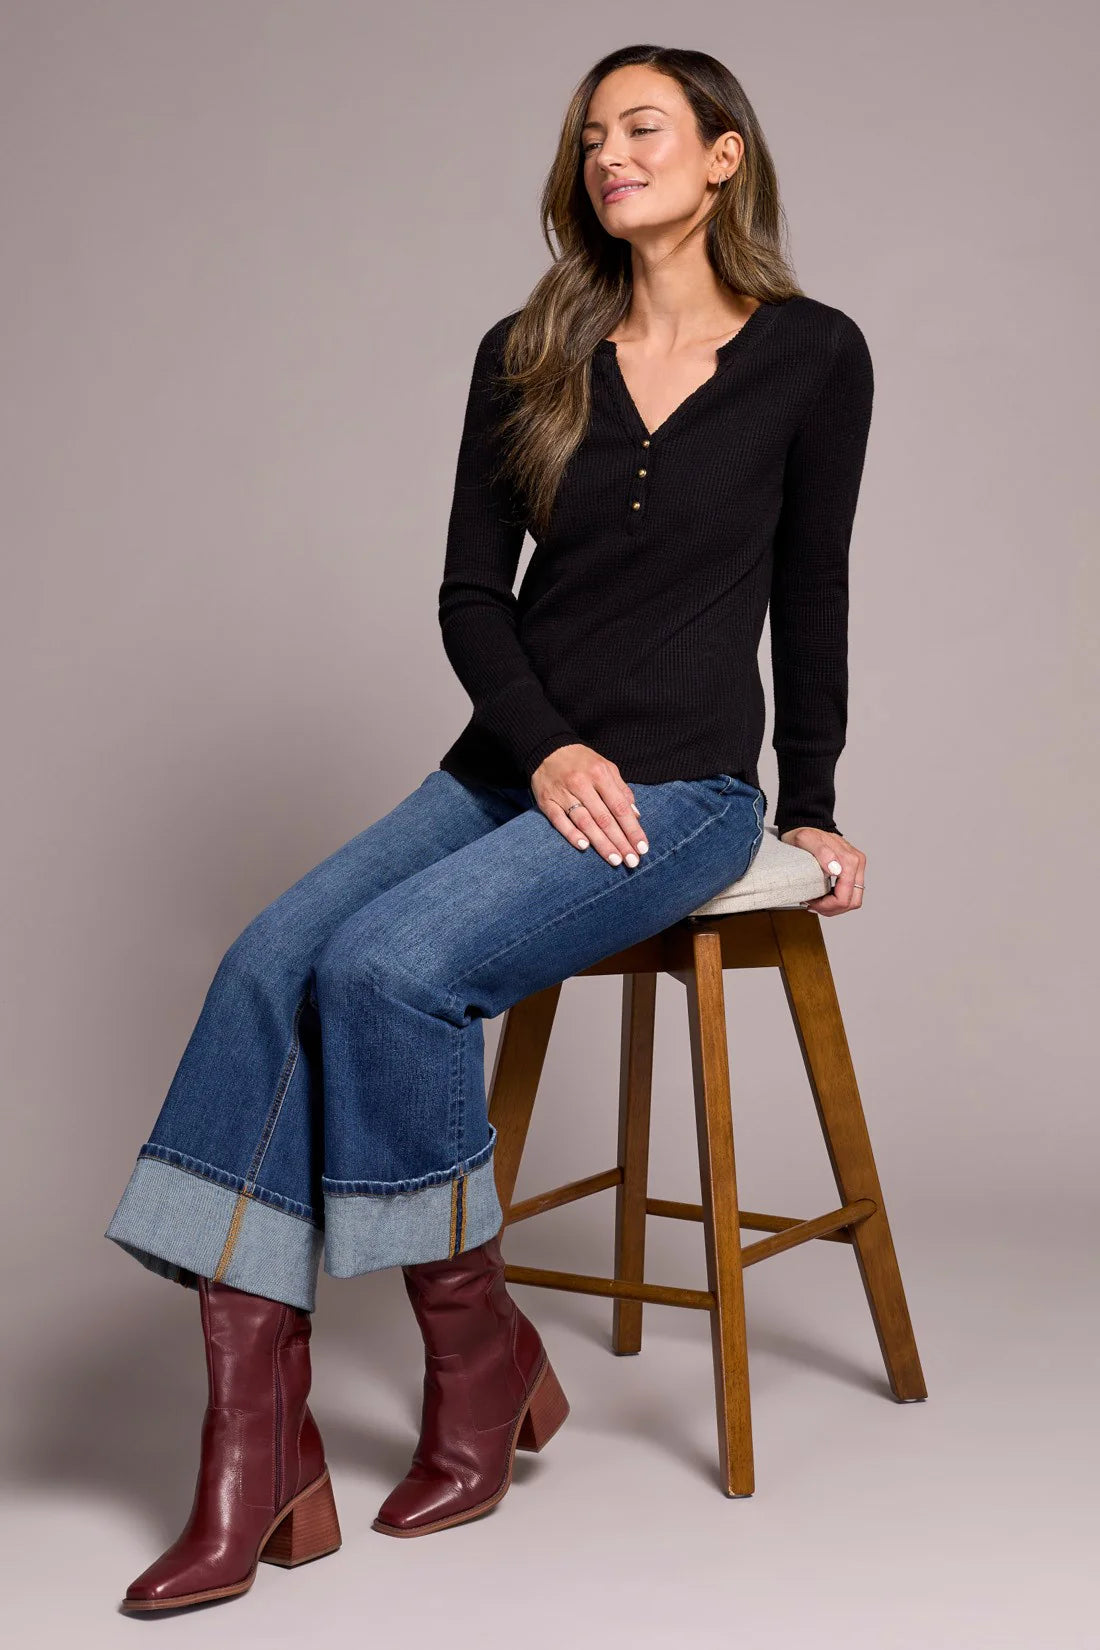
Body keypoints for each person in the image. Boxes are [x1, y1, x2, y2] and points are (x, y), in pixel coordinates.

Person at [105, 41, 872, 1614]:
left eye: (643, 128)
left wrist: (814, 800)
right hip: (511, 764)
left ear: (724, 154)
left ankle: (480, 1361)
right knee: (265, 961)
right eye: (592, 137)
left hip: (682, 793)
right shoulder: (527, 351)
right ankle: (254, 1447)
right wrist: (547, 745)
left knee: (385, 970)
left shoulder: (814, 356)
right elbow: (471, 593)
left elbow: (813, 590)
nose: (610, 156)